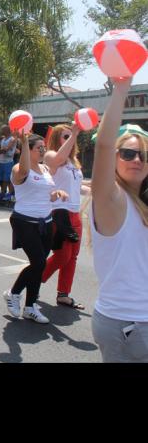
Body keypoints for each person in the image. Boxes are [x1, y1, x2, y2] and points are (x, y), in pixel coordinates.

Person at [89, 76, 148, 362]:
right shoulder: (112, 199)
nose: (136, 159)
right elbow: (103, 145)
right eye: (127, 153)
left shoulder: (141, 202)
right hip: (128, 324)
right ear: (114, 158)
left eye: (143, 155)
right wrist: (122, 87)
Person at [3, 132, 69, 324]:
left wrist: (57, 193)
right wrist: (23, 141)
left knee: (39, 266)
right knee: (39, 263)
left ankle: (30, 307)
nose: (42, 150)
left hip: (46, 222)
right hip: (25, 222)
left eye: (43, 147)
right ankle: (13, 293)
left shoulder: (45, 169)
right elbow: (24, 171)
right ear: (28, 150)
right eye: (38, 148)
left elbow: (47, 194)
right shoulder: (18, 169)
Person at [41, 123, 90, 309]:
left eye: (71, 136)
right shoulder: (51, 155)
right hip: (59, 212)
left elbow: (78, 187)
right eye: (66, 136)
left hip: (75, 213)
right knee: (62, 256)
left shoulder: (73, 162)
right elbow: (58, 159)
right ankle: (33, 279)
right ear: (56, 139)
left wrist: (95, 189)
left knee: (73, 257)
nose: (71, 138)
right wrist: (75, 132)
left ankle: (63, 294)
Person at [0, 125, 16, 201]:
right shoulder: (2, 139)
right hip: (1, 161)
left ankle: (9, 193)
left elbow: (6, 149)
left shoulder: (12, 139)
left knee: (7, 179)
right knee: (1, 179)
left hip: (8, 162)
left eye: (2, 130)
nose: (1, 131)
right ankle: (3, 192)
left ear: (6, 130)